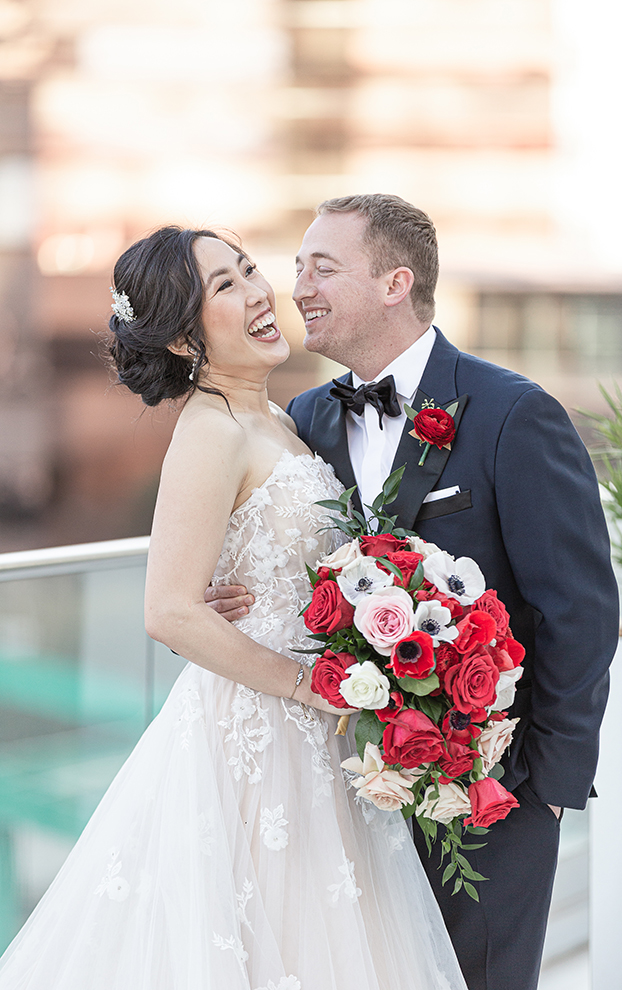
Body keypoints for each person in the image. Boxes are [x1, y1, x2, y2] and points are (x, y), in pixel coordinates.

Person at [0, 225, 468, 990]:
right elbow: (168, 611)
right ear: (185, 340)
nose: (257, 291)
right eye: (225, 286)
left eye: (250, 270)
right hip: (256, 736)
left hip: (317, 735)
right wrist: (304, 685)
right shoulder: (210, 430)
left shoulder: (277, 421)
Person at [208, 194, 620, 990]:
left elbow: (579, 612)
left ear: (396, 282)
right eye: (297, 267)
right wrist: (242, 596)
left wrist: (544, 795)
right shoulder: (303, 419)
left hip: (487, 797)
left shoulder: (513, 413)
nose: (298, 288)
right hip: (342, 792)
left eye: (322, 267)